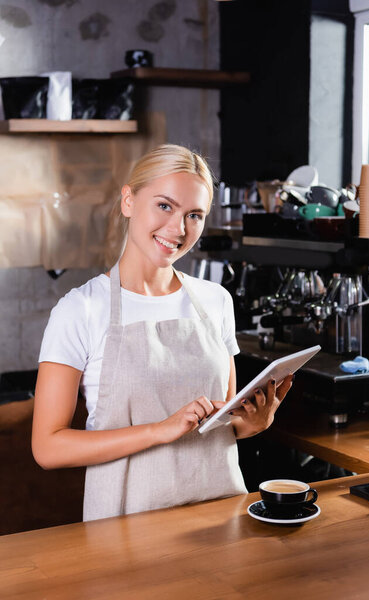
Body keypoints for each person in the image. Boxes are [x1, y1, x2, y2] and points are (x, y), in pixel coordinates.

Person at [32, 143, 293, 521]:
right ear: (128, 201)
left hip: (218, 518)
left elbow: (223, 423)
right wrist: (158, 431)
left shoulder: (215, 301)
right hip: (124, 528)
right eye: (165, 206)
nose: (178, 229)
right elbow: (47, 447)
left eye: (195, 215)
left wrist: (253, 423)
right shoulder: (80, 309)